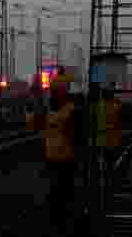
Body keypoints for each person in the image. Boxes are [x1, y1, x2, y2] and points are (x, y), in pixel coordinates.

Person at [43, 83, 78, 234]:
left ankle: (58, 217)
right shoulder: (69, 110)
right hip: (62, 156)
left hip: (58, 155)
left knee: (58, 188)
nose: (52, 97)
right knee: (62, 188)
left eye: (54, 94)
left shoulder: (59, 112)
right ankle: (60, 217)